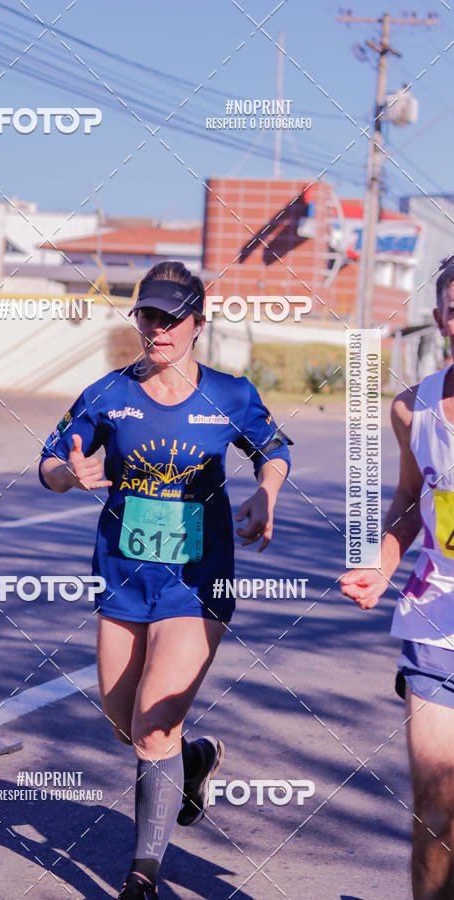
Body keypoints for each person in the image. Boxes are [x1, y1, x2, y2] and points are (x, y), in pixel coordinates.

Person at [39, 260, 291, 899]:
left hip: (197, 581)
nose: (159, 328)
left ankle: (142, 875)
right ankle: (195, 759)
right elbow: (49, 461)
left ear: (198, 325)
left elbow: (274, 448)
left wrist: (266, 493)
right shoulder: (108, 393)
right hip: (124, 576)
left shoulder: (230, 395)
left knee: (153, 723)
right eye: (149, 315)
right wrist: (66, 476)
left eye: (173, 317)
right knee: (123, 718)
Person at [340, 255, 454, 900]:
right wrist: (381, 566)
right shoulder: (414, 410)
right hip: (439, 621)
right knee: (437, 809)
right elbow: (412, 499)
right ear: (441, 318)